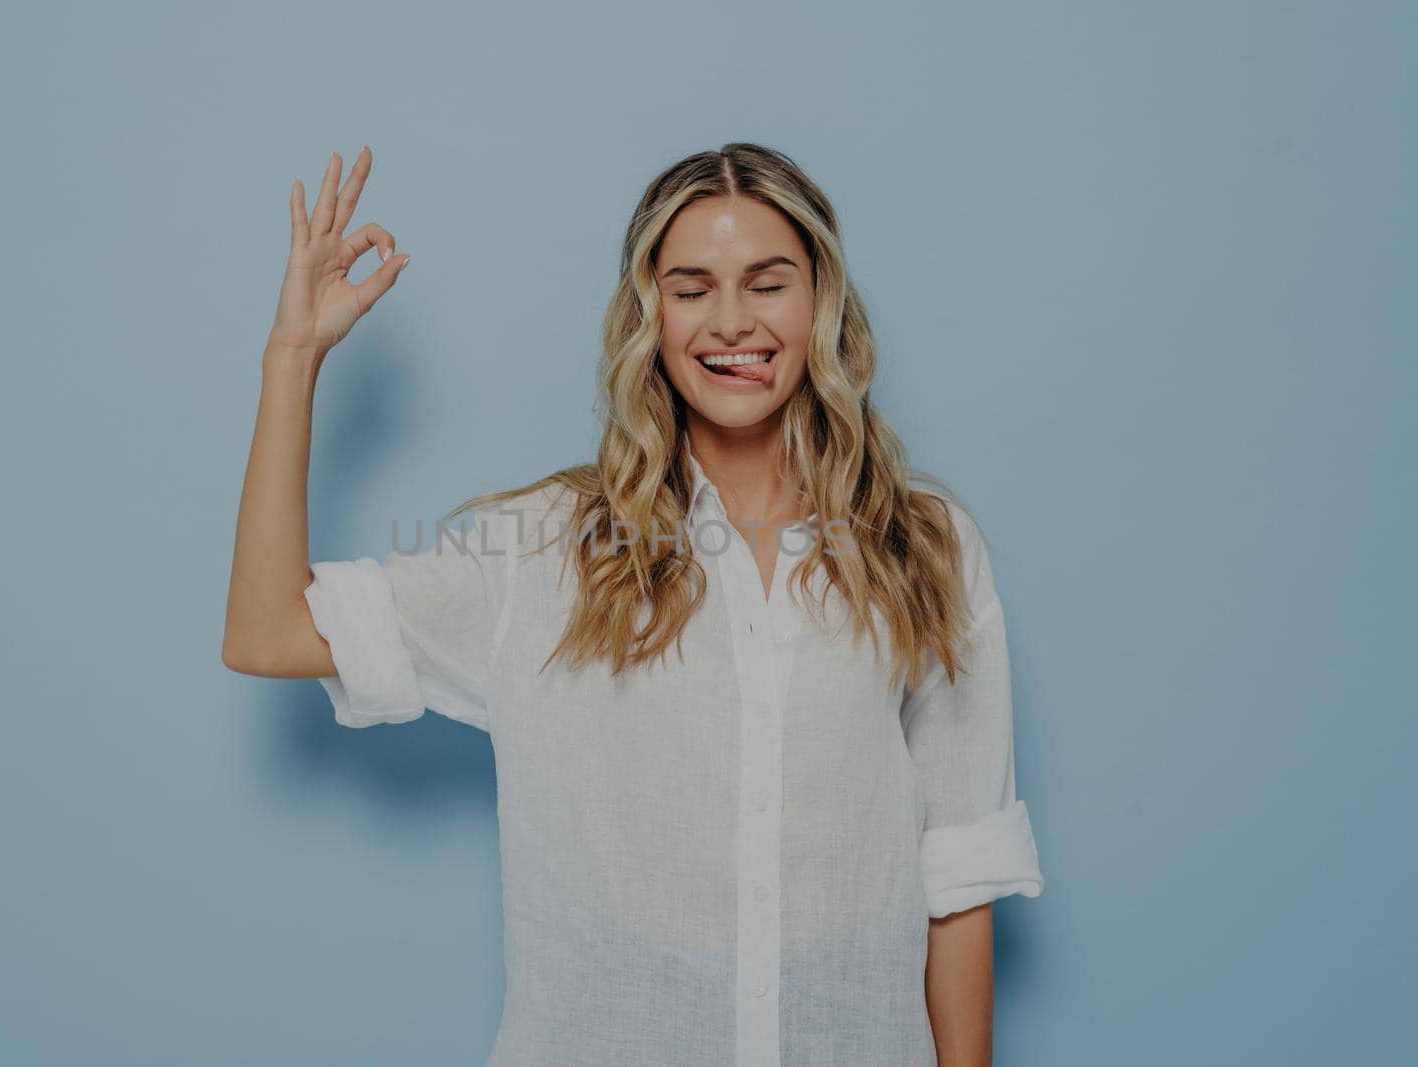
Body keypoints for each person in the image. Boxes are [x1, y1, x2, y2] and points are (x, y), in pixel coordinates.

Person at [222, 141, 1045, 1067]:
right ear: (650, 317)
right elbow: (267, 632)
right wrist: (292, 359)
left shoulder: (925, 545)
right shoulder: (538, 550)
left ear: (820, 302)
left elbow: (960, 870)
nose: (731, 321)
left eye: (767, 282)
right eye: (691, 288)